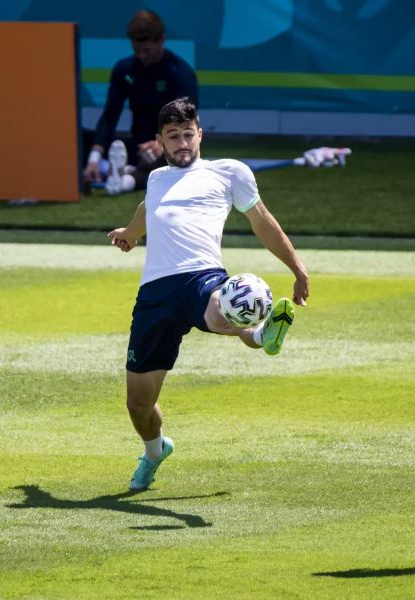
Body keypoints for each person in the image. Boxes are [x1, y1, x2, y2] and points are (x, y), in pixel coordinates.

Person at [108, 98, 310, 491]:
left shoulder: (228, 172)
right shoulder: (157, 178)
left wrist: (297, 269)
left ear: (200, 134)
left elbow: (262, 221)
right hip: (155, 295)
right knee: (139, 405)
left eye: (188, 135)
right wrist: (129, 235)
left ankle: (261, 333)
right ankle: (154, 451)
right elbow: (147, 210)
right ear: (160, 142)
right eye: (173, 137)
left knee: (223, 308)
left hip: (202, 277)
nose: (182, 143)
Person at [83, 9, 199, 195]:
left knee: (177, 160)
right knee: (79, 142)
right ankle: (103, 169)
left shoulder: (180, 73)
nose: (142, 56)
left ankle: (126, 180)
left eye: (147, 50)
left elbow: (185, 121)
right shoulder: (124, 69)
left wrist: (161, 144)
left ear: (161, 40)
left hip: (170, 142)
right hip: (136, 145)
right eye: (137, 50)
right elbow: (110, 115)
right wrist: (93, 158)